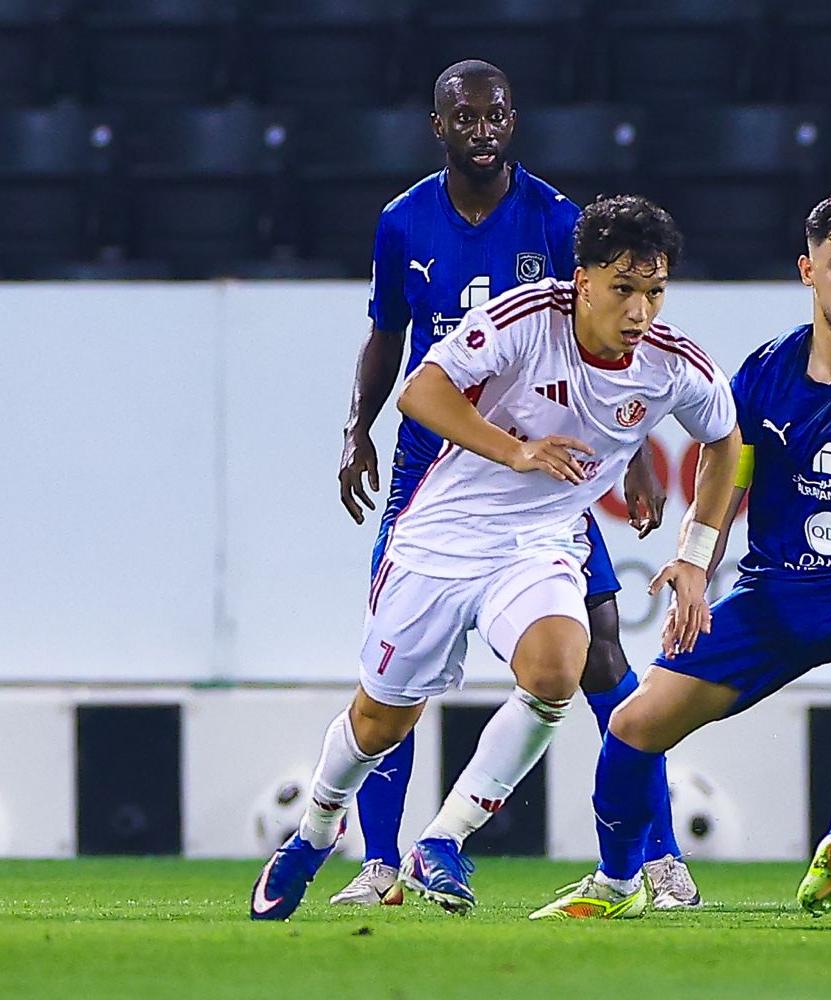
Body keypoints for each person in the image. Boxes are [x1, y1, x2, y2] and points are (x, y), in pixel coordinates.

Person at [250, 194, 742, 920]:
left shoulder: (672, 365)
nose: (640, 311)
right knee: (380, 722)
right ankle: (315, 833)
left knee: (559, 669)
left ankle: (442, 841)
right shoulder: (527, 317)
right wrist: (517, 450)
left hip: (539, 544)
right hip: (442, 537)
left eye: (655, 292)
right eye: (623, 289)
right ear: (582, 280)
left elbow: (725, 441)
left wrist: (696, 559)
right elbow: (421, 393)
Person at [530, 185, 831, 921]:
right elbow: (727, 474)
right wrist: (694, 563)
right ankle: (619, 881)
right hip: (776, 594)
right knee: (634, 724)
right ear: (808, 270)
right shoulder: (766, 373)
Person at [332, 58, 685, 910]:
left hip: (545, 473)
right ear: (439, 126)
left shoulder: (558, 220)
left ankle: (660, 856)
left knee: (602, 651)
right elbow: (387, 336)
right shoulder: (403, 221)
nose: (483, 130)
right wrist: (356, 429)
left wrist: (636, 451)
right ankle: (379, 864)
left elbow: (609, 342)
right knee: (397, 667)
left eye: (496, 116)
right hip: (433, 472)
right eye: (466, 117)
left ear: (513, 121)